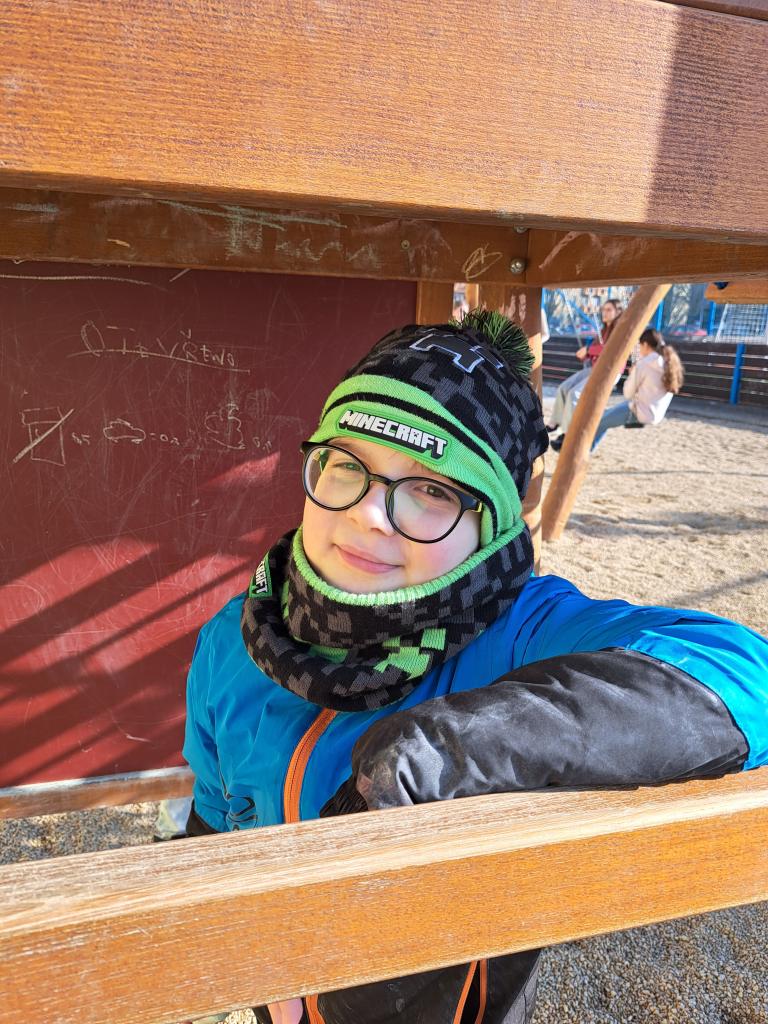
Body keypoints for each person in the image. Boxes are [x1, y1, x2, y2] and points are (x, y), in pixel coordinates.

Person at [182, 310, 768, 1024]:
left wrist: (446, 748)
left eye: (432, 489)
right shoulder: (234, 639)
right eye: (347, 464)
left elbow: (745, 674)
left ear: (490, 528)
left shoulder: (519, 632)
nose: (368, 514)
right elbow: (215, 822)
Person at [548, 298, 622, 451]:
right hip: (595, 368)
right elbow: (595, 349)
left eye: (609, 310)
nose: (604, 313)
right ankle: (555, 422)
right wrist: (586, 354)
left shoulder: (620, 330)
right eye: (604, 309)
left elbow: (610, 349)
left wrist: (588, 350)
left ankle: (567, 433)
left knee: (574, 394)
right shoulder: (603, 331)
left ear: (618, 312)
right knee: (563, 388)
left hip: (609, 371)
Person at [591, 328, 684, 449]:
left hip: (639, 412)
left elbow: (627, 394)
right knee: (605, 414)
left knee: (598, 423)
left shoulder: (644, 364)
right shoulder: (667, 362)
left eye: (639, 346)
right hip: (655, 413)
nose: (638, 349)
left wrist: (632, 374)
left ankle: (585, 452)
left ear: (645, 345)